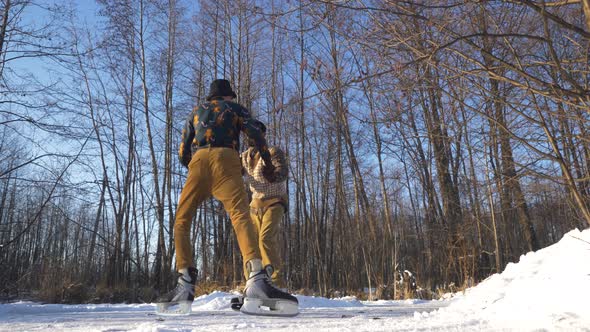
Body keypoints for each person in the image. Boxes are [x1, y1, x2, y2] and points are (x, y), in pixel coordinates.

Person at [155, 79, 298, 317]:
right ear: (228, 96)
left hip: (198, 161)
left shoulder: (196, 112)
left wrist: (195, 167)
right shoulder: (234, 108)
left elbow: (182, 151)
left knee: (182, 219)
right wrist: (267, 159)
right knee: (240, 216)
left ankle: (184, 283)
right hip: (226, 157)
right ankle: (257, 279)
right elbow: (254, 132)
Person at [230, 120, 289, 310]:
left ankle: (274, 280)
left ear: (263, 135)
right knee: (251, 243)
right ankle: (252, 282)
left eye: (256, 134)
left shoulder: (273, 152)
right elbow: (233, 172)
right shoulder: (245, 156)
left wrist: (274, 174)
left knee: (265, 238)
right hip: (255, 204)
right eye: (248, 134)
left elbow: (282, 170)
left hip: (274, 201)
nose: (251, 138)